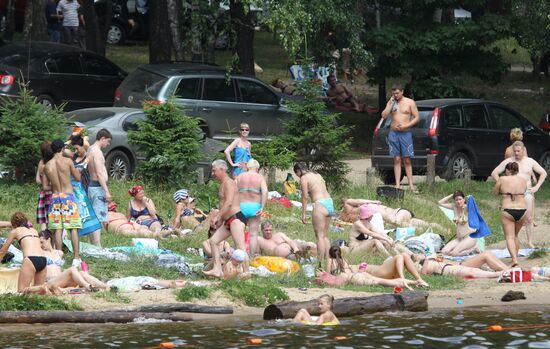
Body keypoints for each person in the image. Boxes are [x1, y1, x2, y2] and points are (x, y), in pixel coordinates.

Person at [491, 141, 547, 248]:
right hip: (512, 193)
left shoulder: (530, 161)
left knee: (529, 218)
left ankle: (530, 241)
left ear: (523, 150)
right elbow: (494, 172)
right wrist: (502, 183)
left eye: (518, 151)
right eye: (515, 151)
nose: (516, 153)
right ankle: (514, 238)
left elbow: (543, 173)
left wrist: (536, 187)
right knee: (512, 217)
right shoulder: (509, 161)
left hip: (526, 191)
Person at [203, 160, 247, 278]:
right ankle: (217, 269)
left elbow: (228, 203)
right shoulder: (222, 184)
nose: (212, 173)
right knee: (212, 241)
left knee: (240, 246)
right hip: (228, 220)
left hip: (236, 218)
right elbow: (223, 205)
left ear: (222, 170)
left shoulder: (229, 182)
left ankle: (247, 272)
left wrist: (217, 216)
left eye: (214, 170)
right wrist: (220, 220)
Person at [44, 139, 82, 266]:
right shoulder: (68, 161)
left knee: (58, 229)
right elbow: (78, 178)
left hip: (55, 197)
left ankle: (59, 256)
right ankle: (76, 258)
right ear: (61, 149)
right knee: (73, 228)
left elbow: (45, 186)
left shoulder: (47, 165)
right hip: (68, 197)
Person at [39, 229, 107, 292]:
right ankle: (87, 286)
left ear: (48, 240)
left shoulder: (59, 253)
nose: (40, 245)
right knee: (72, 269)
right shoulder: (40, 253)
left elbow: (58, 269)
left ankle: (106, 287)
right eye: (39, 243)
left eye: (42, 242)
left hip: (61, 280)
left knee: (82, 273)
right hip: (50, 282)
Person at [380, 84, 420, 192]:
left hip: (405, 133)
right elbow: (384, 115)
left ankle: (411, 185)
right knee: (396, 159)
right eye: (394, 93)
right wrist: (390, 104)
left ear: (402, 92)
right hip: (394, 133)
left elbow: (417, 118)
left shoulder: (410, 102)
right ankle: (397, 184)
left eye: (397, 93)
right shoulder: (392, 102)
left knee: (406, 159)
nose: (396, 95)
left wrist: (406, 126)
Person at [324, 246, 418, 290]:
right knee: (381, 280)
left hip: (355, 278)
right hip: (359, 275)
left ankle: (406, 284)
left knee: (382, 281)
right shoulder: (343, 260)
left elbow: (328, 275)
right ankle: (413, 282)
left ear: (330, 254)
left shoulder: (330, 261)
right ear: (340, 253)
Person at [294, 162, 332, 266]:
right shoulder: (317, 174)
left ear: (298, 171)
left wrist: (303, 214)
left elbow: (305, 197)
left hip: (320, 204)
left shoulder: (304, 178)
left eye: (296, 174)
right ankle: (329, 260)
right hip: (329, 202)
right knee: (324, 235)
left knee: (319, 236)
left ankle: (320, 263)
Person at [0, 212, 47, 292]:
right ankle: (48, 288)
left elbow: (3, 251)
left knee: (21, 290)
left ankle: (42, 287)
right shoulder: (34, 230)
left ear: (14, 224)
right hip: (43, 259)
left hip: (30, 259)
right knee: (38, 293)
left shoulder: (15, 231)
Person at [493, 162, 528, 267]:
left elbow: (495, 192)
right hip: (522, 210)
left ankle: (514, 259)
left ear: (507, 170)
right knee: (515, 235)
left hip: (508, 209)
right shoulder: (523, 180)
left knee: (509, 236)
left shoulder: (502, 179)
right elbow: (525, 191)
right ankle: (515, 256)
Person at [340, 198, 444, 231]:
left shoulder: (351, 204)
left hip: (399, 212)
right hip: (401, 214)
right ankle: (443, 229)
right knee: (428, 224)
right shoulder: (357, 214)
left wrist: (374, 201)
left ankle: (418, 229)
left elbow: (357, 200)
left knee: (396, 222)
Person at [236, 159, 267, 256]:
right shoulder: (260, 177)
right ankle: (251, 258)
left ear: (247, 167)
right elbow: (265, 192)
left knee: (239, 233)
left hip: (241, 206)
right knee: (253, 235)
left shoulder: (240, 176)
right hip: (255, 207)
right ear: (257, 168)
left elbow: (233, 190)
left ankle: (240, 257)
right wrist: (262, 207)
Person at [87, 128, 113, 247]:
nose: (107, 144)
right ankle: (97, 245)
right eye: (107, 141)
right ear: (102, 138)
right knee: (99, 217)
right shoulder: (97, 151)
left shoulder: (90, 149)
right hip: (97, 187)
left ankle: (90, 243)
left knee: (93, 216)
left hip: (92, 186)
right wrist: (106, 191)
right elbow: (99, 172)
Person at [437, 190, 479, 256]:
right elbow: (440, 202)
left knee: (454, 253)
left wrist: (469, 201)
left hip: (470, 237)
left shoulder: (467, 207)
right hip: (459, 238)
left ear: (464, 199)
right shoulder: (454, 207)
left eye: (460, 199)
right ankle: (469, 249)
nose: (458, 201)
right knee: (444, 252)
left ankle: (474, 248)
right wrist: (452, 194)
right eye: (456, 200)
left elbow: (475, 208)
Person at [414, 251, 507, 278]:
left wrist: (442, 258)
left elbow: (444, 263)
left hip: (459, 264)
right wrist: (428, 259)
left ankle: (507, 268)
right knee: (486, 255)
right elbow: (423, 273)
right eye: (419, 255)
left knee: (488, 253)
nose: (420, 255)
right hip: (461, 265)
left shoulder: (432, 260)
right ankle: (507, 270)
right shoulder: (422, 264)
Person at [107, 202, 175, 238]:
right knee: (146, 230)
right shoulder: (120, 214)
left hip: (121, 227)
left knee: (138, 233)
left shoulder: (105, 216)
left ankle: (156, 235)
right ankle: (170, 232)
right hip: (133, 224)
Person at [36, 141, 54, 231]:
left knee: (44, 221)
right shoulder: (53, 162)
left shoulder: (41, 162)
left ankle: (43, 240)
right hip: (54, 193)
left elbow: (38, 180)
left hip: (43, 194)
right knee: (55, 220)